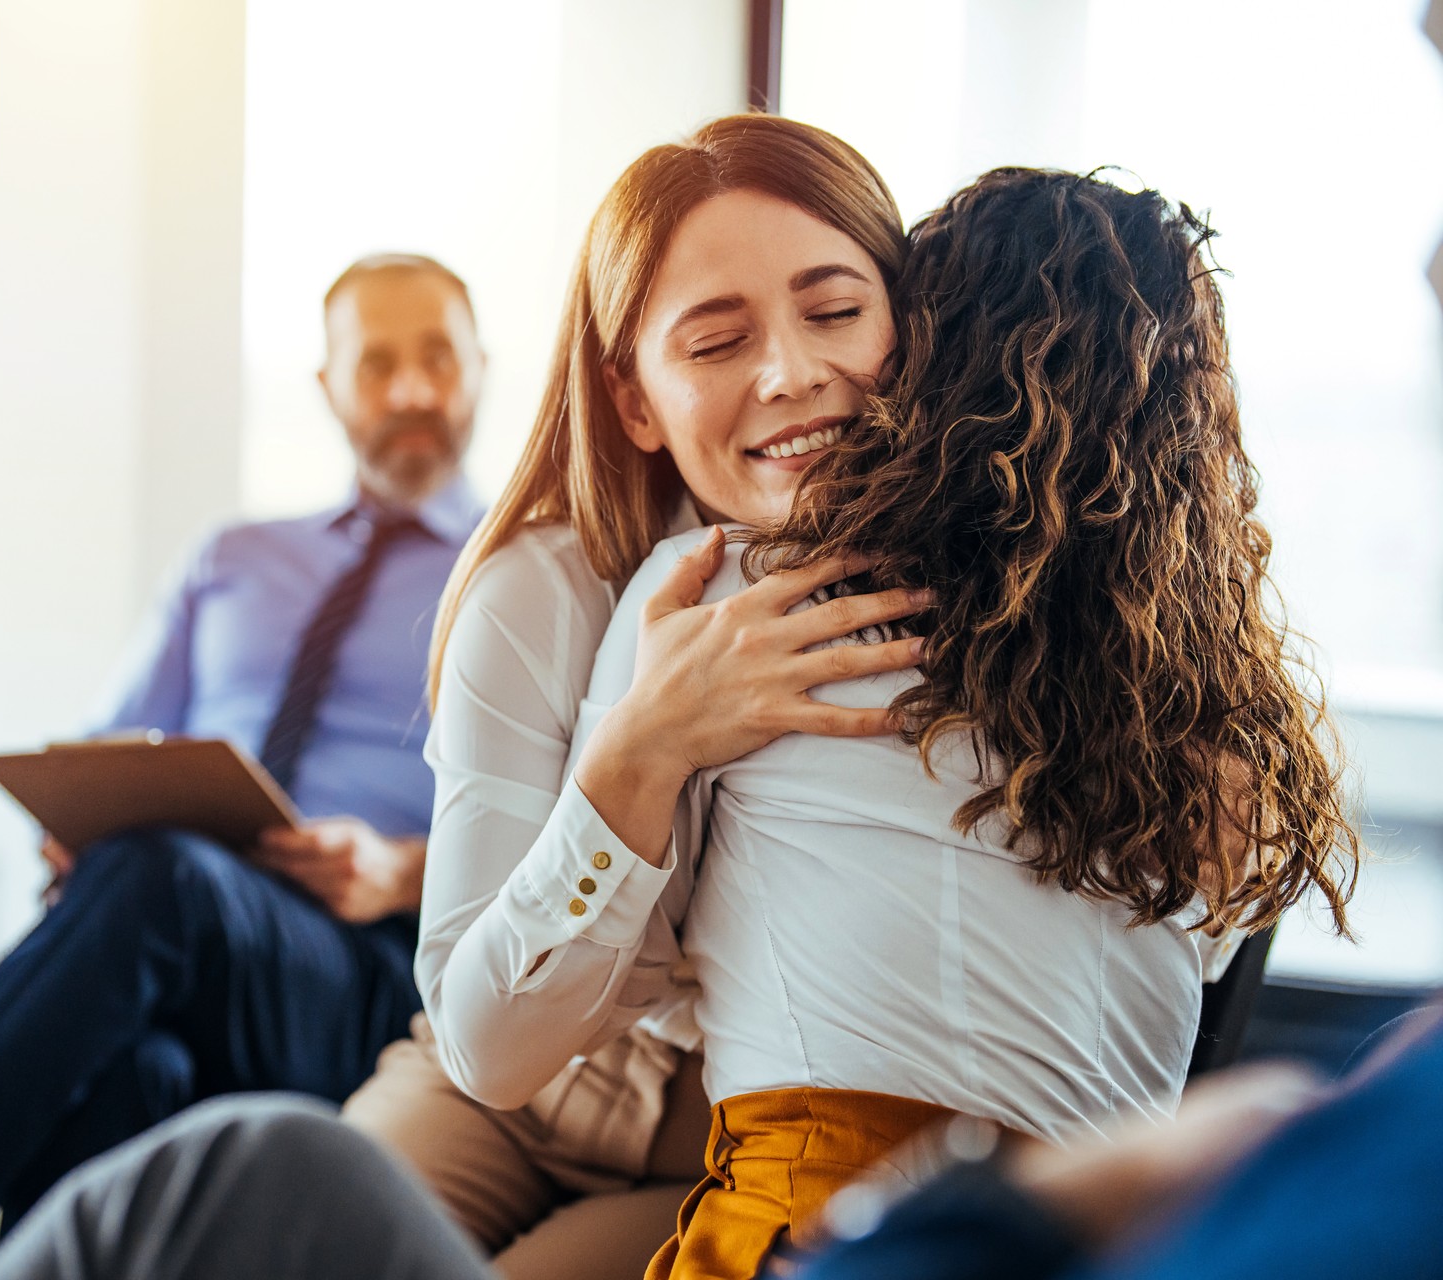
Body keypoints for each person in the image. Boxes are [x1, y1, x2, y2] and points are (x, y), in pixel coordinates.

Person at [513, 167, 1357, 1279]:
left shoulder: (738, 599)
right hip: (1107, 1242)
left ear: (926, 360)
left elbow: (604, 982)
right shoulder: (1219, 722)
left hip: (829, 1233)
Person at [0, 253, 489, 1280]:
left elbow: (573, 830)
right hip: (180, 935)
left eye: (437, 357)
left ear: (482, 367)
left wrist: (404, 867)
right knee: (139, 1070)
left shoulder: (521, 568)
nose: (409, 391)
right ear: (326, 387)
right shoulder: (235, 557)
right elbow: (109, 744)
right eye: (378, 363)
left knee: (156, 878)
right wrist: (76, 809)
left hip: (367, 963)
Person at [340, 117, 927, 1280]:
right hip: (507, 1085)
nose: (791, 372)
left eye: (837, 310)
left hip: (717, 1127)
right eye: (715, 340)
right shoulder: (540, 593)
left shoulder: (986, 594)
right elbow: (485, 1042)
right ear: (635, 400)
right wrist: (643, 749)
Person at [0, 1002, 1443, 1280]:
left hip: (786, 1166)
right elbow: (485, 1022)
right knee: (260, 1166)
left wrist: (1042, 1201)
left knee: (241, 1178)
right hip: (528, 1071)